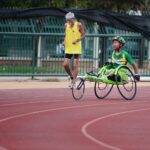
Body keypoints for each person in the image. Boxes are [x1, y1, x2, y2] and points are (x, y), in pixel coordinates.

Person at [63, 12, 85, 87]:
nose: (68, 22)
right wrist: (64, 41)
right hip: (68, 47)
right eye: (67, 20)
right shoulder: (66, 25)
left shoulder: (79, 25)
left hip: (76, 47)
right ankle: (71, 76)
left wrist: (77, 40)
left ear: (73, 19)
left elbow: (83, 35)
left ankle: (73, 81)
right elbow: (66, 34)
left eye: (70, 20)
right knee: (65, 64)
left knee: (75, 64)